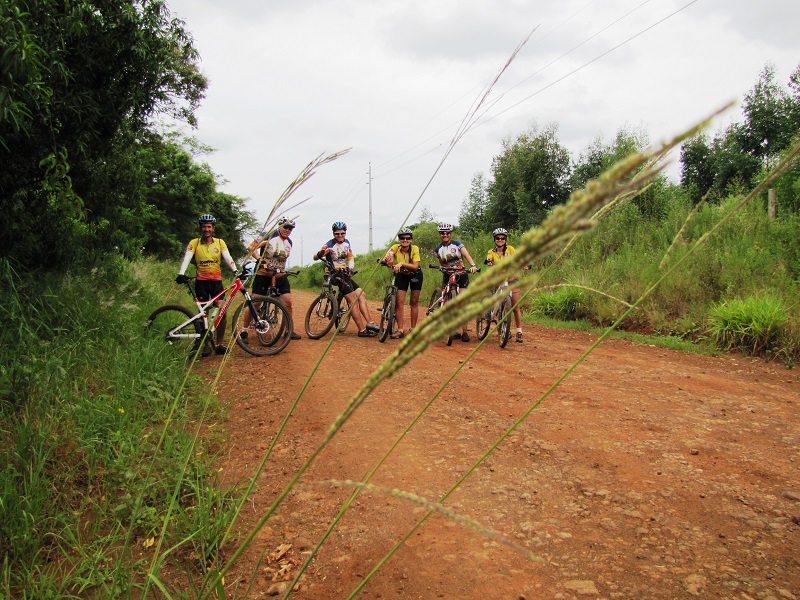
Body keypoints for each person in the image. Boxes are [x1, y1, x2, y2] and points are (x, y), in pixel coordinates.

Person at [176, 214, 239, 354]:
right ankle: (205, 346)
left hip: (216, 282)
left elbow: (227, 256)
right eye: (204, 227)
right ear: (200, 228)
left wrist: (235, 270)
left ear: (213, 228)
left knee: (222, 312)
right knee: (203, 314)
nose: (206, 229)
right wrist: (181, 273)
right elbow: (187, 257)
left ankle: (220, 344)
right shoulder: (195, 243)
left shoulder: (220, 242)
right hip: (202, 283)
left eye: (209, 226)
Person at [313, 221, 380, 338]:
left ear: (345, 233)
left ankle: (370, 323)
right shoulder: (329, 244)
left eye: (342, 233)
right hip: (334, 274)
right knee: (353, 300)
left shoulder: (347, 243)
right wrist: (321, 253)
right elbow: (315, 257)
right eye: (337, 234)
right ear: (333, 234)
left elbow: (350, 256)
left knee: (361, 294)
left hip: (344, 274)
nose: (340, 236)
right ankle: (361, 329)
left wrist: (351, 268)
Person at [433, 223, 478, 342]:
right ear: (440, 234)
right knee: (447, 302)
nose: (445, 235)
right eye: (442, 233)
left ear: (451, 234)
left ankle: (464, 332)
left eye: (447, 232)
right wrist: (445, 268)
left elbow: (466, 255)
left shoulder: (457, 244)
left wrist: (472, 265)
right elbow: (442, 263)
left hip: (461, 275)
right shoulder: (438, 249)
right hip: (448, 275)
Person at [381, 227, 422, 339]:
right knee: (399, 302)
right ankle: (400, 330)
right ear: (399, 239)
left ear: (411, 239)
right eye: (402, 238)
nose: (405, 240)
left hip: (415, 275)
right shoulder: (395, 247)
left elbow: (415, 266)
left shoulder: (414, 249)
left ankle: (413, 329)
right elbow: (388, 257)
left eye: (408, 238)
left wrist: (401, 263)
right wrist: (386, 259)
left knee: (414, 302)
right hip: (401, 275)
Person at [485, 227, 525, 343]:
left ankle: (519, 332)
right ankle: (503, 330)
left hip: (512, 281)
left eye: (503, 238)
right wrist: (489, 261)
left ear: (506, 239)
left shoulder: (511, 249)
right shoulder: (491, 252)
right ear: (494, 240)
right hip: (499, 281)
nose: (500, 240)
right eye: (498, 238)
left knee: (515, 307)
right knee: (501, 306)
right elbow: (488, 259)